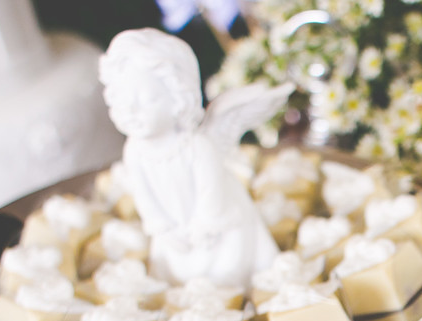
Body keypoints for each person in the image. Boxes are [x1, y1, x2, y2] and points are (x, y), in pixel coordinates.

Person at [98, 28, 288, 288]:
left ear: (177, 98)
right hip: (174, 231)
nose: (133, 112)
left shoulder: (195, 146)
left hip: (217, 228)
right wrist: (163, 228)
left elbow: (210, 191)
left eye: (148, 99)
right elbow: (146, 197)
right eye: (123, 100)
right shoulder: (134, 150)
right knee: (174, 276)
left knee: (228, 272)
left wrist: (203, 226)